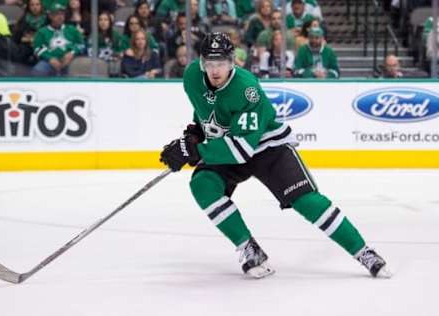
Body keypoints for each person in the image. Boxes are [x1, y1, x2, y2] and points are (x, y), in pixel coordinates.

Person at [159, 32, 392, 279]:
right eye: (210, 64)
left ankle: (363, 252)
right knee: (203, 185)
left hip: (266, 147)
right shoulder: (192, 76)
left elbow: (241, 149)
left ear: (233, 62)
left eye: (222, 64)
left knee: (307, 201)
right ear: (202, 63)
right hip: (228, 144)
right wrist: (195, 133)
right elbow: (205, 108)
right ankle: (250, 249)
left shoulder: (247, 89)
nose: (215, 71)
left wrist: (196, 150)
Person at [32, 3, 85, 76]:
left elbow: (81, 44)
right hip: (49, 62)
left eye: (62, 14)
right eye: (57, 14)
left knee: (80, 70)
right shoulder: (42, 32)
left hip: (70, 61)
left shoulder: (72, 30)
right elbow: (37, 48)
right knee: (38, 70)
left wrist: (72, 53)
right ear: (50, 16)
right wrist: (50, 59)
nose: (60, 17)